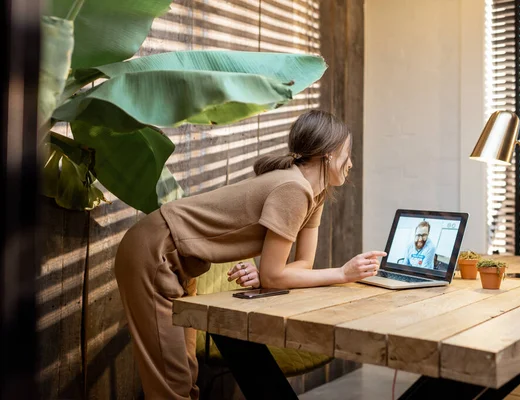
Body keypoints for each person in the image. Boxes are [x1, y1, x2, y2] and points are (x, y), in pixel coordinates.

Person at [114, 110, 386, 400]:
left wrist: (269, 274)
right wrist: (343, 273)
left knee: (185, 373)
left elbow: (301, 265)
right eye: (348, 153)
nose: (351, 163)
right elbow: (274, 276)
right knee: (172, 385)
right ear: (329, 154)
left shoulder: (313, 194)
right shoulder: (292, 189)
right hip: (155, 252)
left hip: (180, 262)